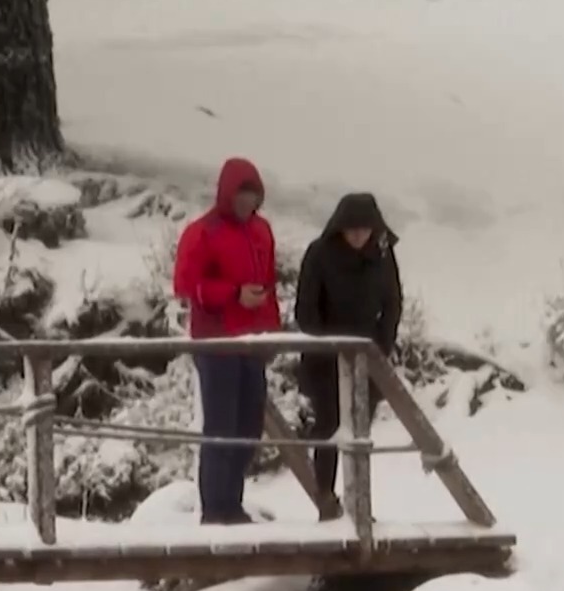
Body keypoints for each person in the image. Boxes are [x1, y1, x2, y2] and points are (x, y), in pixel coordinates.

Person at [172, 157, 282, 525]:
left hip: (251, 341)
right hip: (216, 342)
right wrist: (233, 294)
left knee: (249, 427)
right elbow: (186, 285)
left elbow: (269, 284)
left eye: (253, 195)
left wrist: (271, 331)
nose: (248, 203)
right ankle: (216, 510)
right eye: (242, 195)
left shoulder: (262, 231)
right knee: (221, 427)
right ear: (227, 194)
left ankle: (231, 503)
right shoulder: (202, 232)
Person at [293, 192, 402, 520]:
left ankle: (359, 507)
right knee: (327, 431)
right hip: (325, 359)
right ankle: (326, 504)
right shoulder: (319, 253)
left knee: (359, 436)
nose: (358, 235)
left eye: (364, 228)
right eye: (351, 228)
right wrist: (333, 345)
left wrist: (379, 346)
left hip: (368, 360)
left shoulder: (382, 254)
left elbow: (393, 302)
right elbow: (306, 311)